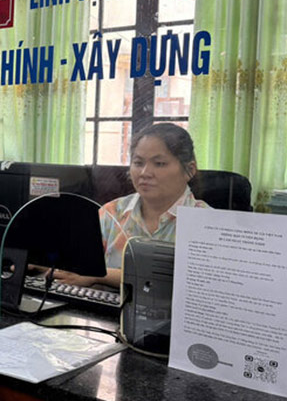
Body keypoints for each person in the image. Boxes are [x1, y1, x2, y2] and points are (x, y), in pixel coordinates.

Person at [52, 123, 209, 288]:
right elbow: (76, 265)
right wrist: (34, 259)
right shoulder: (112, 212)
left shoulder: (207, 225)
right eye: (138, 163)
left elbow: (184, 284)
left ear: (190, 170)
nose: (145, 173)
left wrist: (101, 276)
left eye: (159, 163)